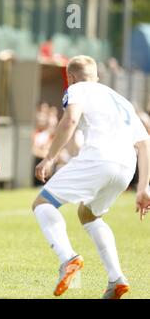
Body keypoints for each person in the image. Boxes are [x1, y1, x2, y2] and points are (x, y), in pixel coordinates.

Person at [32, 55, 150, 299]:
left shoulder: (76, 89)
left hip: (99, 159)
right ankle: (116, 278)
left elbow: (71, 119)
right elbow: (145, 143)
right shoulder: (122, 100)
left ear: (70, 77)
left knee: (42, 204)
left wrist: (50, 158)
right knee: (88, 214)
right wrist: (143, 188)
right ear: (97, 77)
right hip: (126, 168)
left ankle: (68, 259)